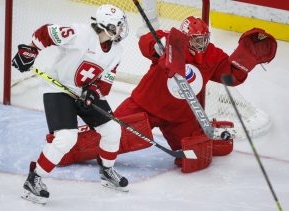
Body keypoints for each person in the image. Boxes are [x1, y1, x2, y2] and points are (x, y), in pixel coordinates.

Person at [41, 16, 277, 174]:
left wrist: (246, 57)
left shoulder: (213, 55)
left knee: (195, 161)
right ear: (185, 37)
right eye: (196, 40)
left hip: (182, 117)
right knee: (113, 135)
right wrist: (159, 45)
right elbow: (146, 43)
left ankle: (213, 133)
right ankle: (66, 150)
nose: (202, 44)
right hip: (146, 105)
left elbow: (231, 76)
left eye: (204, 39)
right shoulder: (170, 42)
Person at [12, 4, 130, 204]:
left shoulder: (117, 51)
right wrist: (30, 51)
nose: (122, 29)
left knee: (112, 130)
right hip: (57, 89)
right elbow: (46, 32)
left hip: (83, 93)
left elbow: (106, 82)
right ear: (106, 26)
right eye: (118, 25)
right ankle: (34, 179)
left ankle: (107, 171)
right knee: (66, 138)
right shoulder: (80, 34)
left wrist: (93, 93)